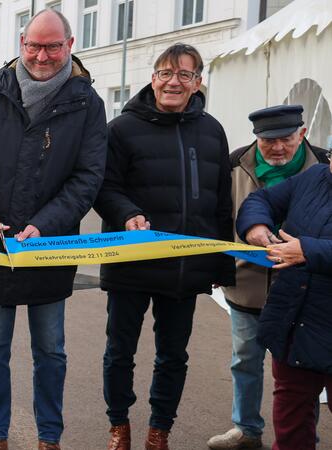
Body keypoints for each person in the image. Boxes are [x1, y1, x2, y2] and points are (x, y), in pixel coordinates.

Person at [0, 9, 106, 450]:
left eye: (52, 46)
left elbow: (88, 177)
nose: (42, 55)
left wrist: (46, 224)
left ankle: (49, 437)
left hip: (50, 247)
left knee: (51, 353)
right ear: (21, 42)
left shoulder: (87, 102)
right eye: (34, 46)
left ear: (70, 44)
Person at [93, 43, 235, 450]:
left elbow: (221, 202)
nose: (174, 82)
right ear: (153, 77)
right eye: (166, 73)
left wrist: (222, 266)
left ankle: (160, 430)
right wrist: (126, 214)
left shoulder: (211, 130)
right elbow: (104, 187)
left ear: (198, 82)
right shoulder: (121, 128)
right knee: (120, 352)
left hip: (186, 269)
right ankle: (118, 425)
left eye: (185, 75)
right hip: (131, 262)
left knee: (173, 356)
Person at [208, 105, 328, 449]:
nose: (277, 148)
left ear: (302, 135)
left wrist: (306, 250)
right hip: (249, 283)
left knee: (303, 370)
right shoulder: (235, 163)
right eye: (267, 141)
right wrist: (247, 237)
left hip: (306, 293)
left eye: (286, 140)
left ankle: (305, 436)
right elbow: (229, 210)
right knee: (248, 359)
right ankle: (246, 428)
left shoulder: (320, 166)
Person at [237, 158, 332, 449]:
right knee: (291, 420)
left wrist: (308, 250)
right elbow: (260, 199)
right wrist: (255, 225)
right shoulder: (315, 176)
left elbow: (308, 248)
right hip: (296, 321)